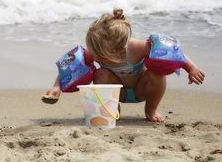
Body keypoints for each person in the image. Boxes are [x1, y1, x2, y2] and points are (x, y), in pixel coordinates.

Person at [44, 8, 205, 122]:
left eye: (99, 55)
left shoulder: (136, 48)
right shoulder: (95, 50)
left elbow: (171, 52)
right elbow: (70, 68)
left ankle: (151, 109)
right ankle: (113, 111)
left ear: (119, 49)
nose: (94, 56)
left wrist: (190, 67)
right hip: (115, 93)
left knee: (156, 73)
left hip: (141, 89)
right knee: (101, 74)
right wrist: (57, 87)